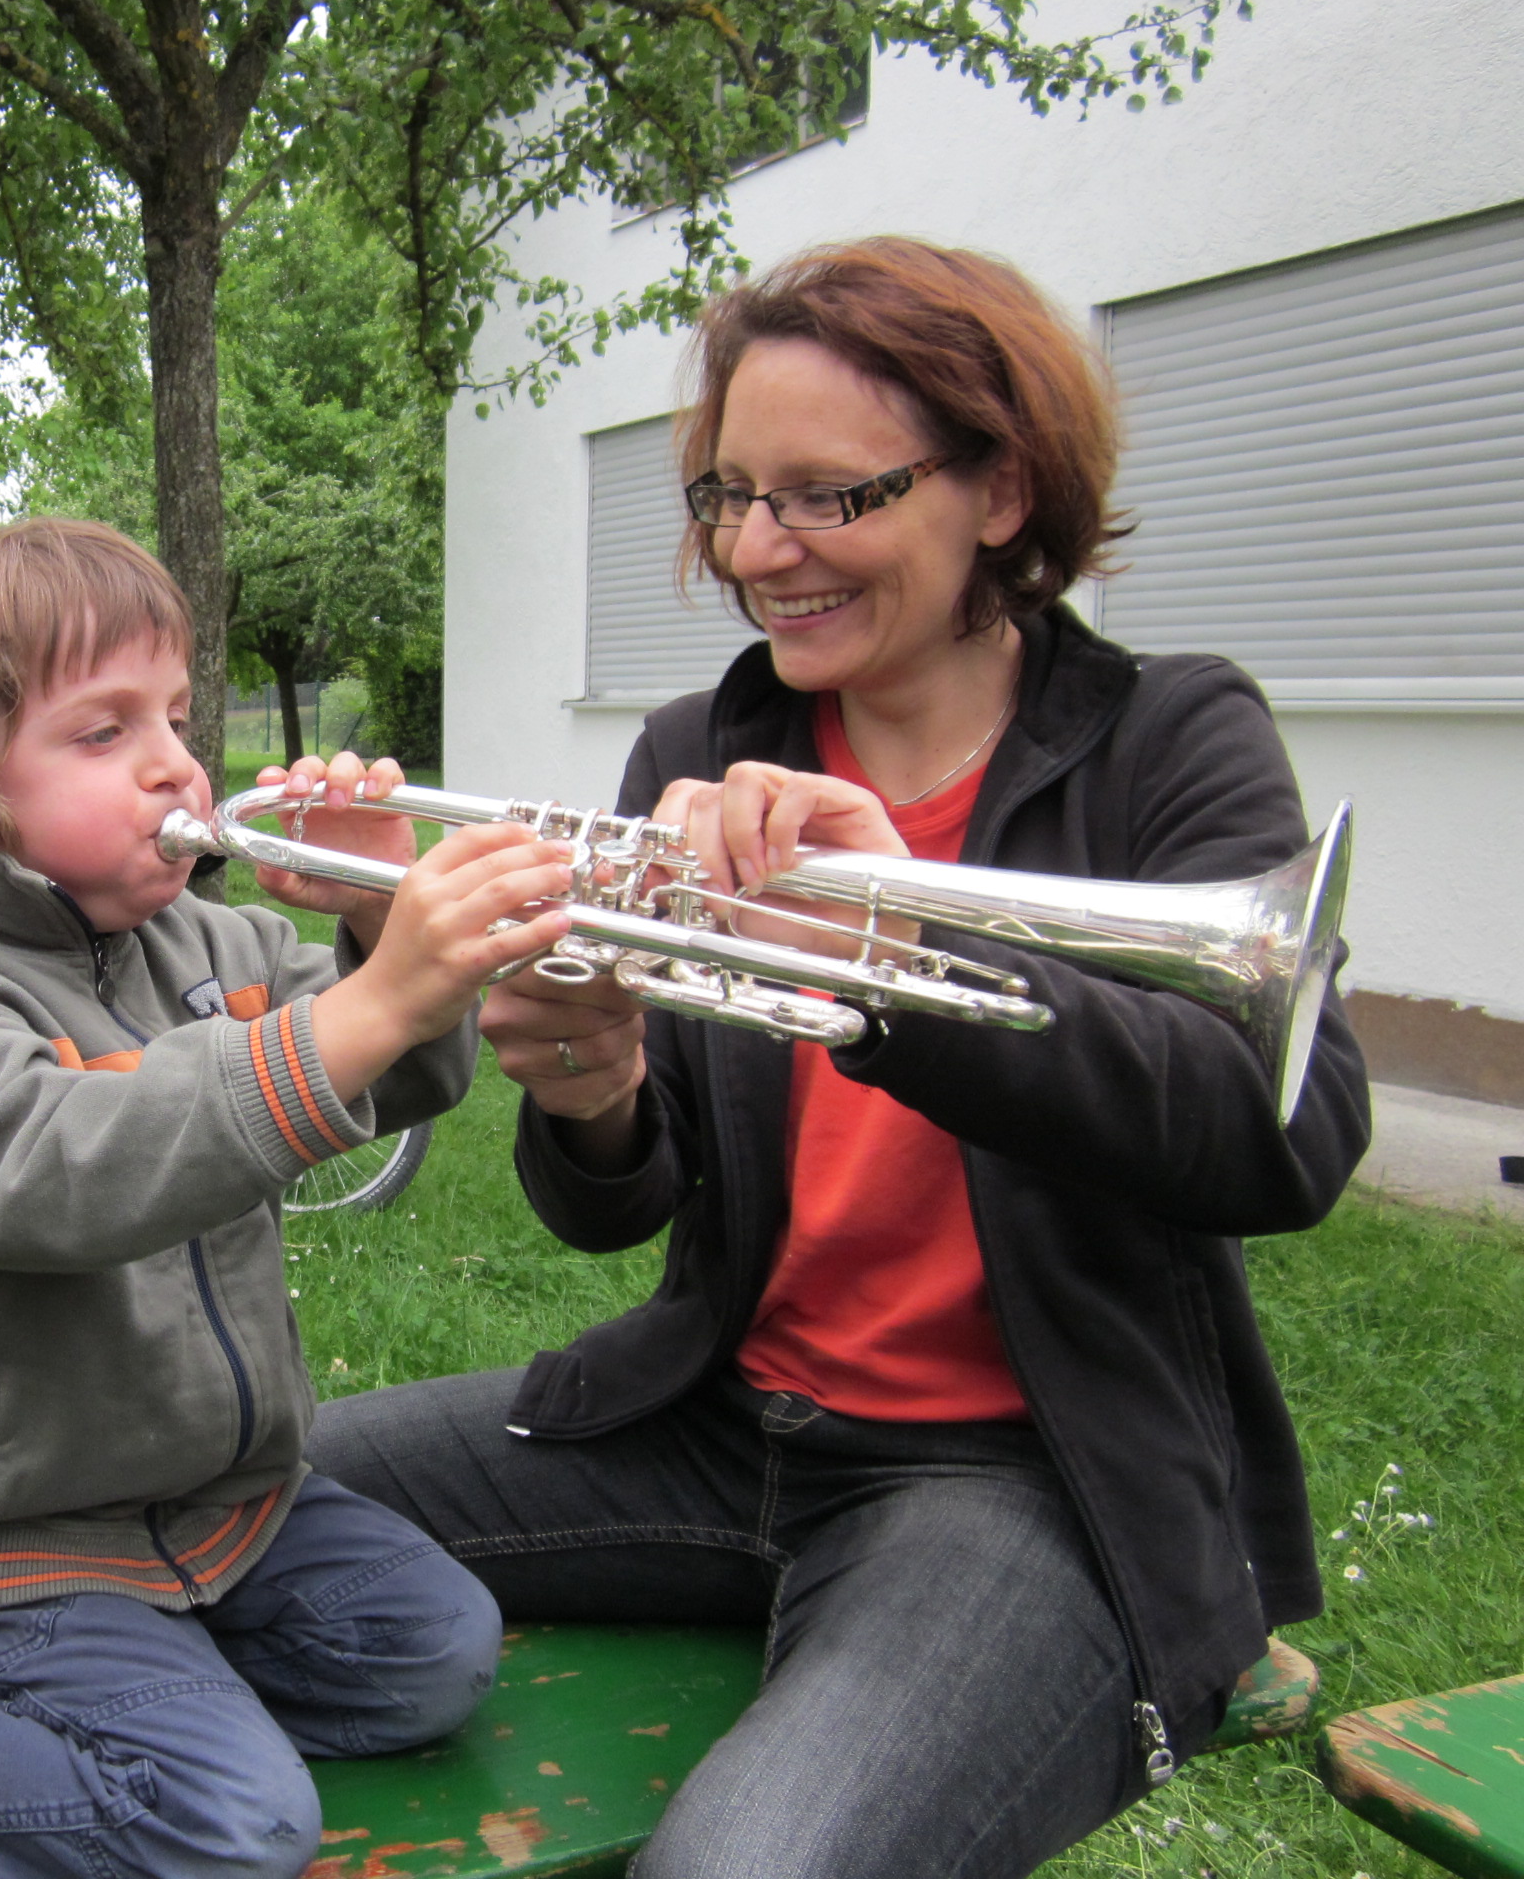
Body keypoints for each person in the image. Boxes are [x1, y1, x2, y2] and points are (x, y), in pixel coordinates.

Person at [307, 238, 1373, 1879]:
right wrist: (591, 1093)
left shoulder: (1167, 737)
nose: (756, 549)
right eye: (731, 496)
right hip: (720, 1415)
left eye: (826, 496)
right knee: (208, 1497)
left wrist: (897, 959)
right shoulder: (699, 753)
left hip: (1022, 1477)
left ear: (1001, 488)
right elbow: (613, 1210)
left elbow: (1284, 1140)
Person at [0, 519, 572, 1879]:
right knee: (234, 1825)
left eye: (177, 718)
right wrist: (373, 1002)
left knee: (435, 1653)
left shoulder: (212, 939)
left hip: (222, 1511)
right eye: (103, 731)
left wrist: (379, 923)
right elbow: (75, 1170)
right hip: (8, 1540)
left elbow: (404, 1073)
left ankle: (144, 1693)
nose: (175, 765)